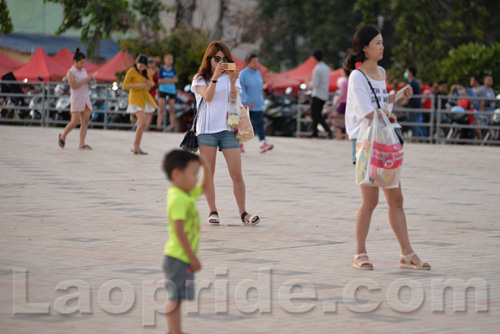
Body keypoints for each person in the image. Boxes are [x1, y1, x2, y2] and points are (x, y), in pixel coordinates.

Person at [345, 25, 431, 270]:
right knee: (370, 201)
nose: (382, 47)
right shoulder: (356, 76)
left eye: (382, 42)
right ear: (364, 48)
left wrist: (397, 95)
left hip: (384, 141)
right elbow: (366, 111)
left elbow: (380, 102)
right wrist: (387, 113)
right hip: (364, 142)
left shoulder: (381, 72)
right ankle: (360, 252)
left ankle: (407, 253)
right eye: (378, 43)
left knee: (397, 198)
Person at [191, 41, 260, 226]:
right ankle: (213, 210)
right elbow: (208, 96)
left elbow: (234, 99)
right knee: (209, 173)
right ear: (209, 59)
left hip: (228, 129)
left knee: (236, 173)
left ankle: (243, 212)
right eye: (217, 58)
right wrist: (215, 77)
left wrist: (231, 82)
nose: (220, 62)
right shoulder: (199, 78)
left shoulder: (232, 77)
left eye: (224, 59)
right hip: (206, 130)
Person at [161, 149, 212, 334]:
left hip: (182, 257)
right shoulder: (178, 198)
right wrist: (192, 257)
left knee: (178, 297)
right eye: (193, 174)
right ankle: (175, 332)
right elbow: (179, 231)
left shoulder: (185, 193)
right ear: (177, 174)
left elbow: (205, 188)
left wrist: (205, 168)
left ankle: (175, 331)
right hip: (178, 257)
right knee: (174, 297)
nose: (196, 179)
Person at [58, 47, 95, 150]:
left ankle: (82, 143)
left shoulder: (83, 71)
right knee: (74, 122)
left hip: (85, 98)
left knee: (85, 121)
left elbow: (84, 83)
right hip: (77, 98)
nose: (82, 65)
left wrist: (90, 81)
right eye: (81, 63)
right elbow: (73, 86)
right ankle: (63, 135)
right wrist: (86, 79)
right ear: (75, 61)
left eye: (84, 63)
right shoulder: (71, 72)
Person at [239, 52, 274, 153]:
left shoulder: (258, 73)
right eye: (254, 62)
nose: (256, 64)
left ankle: (263, 143)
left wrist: (261, 100)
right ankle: (239, 144)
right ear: (248, 62)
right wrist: (247, 101)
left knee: (260, 125)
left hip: (258, 105)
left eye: (257, 62)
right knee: (244, 126)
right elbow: (240, 89)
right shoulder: (243, 74)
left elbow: (259, 88)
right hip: (247, 105)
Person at [123, 54, 157, 155]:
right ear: (136, 63)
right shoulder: (131, 71)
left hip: (143, 99)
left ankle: (136, 146)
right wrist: (138, 85)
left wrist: (146, 81)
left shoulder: (145, 72)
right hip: (134, 99)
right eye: (140, 66)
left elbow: (152, 84)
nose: (141, 68)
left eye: (144, 66)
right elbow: (125, 85)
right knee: (143, 121)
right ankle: (135, 145)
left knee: (141, 123)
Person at [309, 50, 333, 138]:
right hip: (324, 94)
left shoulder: (317, 69)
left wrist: (308, 83)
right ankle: (314, 133)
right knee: (316, 115)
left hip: (317, 94)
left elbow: (315, 84)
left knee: (316, 115)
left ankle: (326, 130)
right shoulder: (327, 68)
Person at [158, 53, 178, 132]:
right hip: (163, 90)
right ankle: (159, 126)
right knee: (161, 109)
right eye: (168, 59)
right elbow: (159, 81)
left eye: (171, 59)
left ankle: (172, 127)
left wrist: (165, 80)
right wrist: (170, 80)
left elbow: (176, 80)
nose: (170, 61)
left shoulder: (173, 69)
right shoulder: (162, 69)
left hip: (171, 90)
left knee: (172, 109)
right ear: (164, 60)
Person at [402, 66, 422, 139]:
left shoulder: (412, 83)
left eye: (406, 71)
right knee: (415, 124)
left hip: (413, 108)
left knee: (414, 124)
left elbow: (408, 96)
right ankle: (420, 139)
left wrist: (403, 105)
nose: (406, 73)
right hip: (415, 107)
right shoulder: (414, 82)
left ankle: (417, 139)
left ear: (410, 73)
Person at [474, 74, 496, 139]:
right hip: (483, 113)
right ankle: (481, 140)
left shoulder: (491, 90)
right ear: (484, 80)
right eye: (489, 80)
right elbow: (477, 99)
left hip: (491, 113)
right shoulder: (481, 89)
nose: (490, 81)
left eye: (491, 80)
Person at [332, 67, 349, 140]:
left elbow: (342, 94)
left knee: (336, 118)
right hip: (349, 103)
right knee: (347, 119)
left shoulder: (344, 82)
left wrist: (336, 101)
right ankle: (347, 136)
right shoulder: (351, 81)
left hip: (343, 102)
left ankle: (339, 135)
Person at [146, 57, 159, 131]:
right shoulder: (147, 72)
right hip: (146, 93)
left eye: (152, 63)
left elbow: (158, 83)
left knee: (150, 111)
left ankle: (146, 128)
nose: (150, 65)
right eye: (149, 63)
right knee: (145, 111)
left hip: (153, 94)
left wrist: (152, 85)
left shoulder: (158, 73)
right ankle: (143, 127)